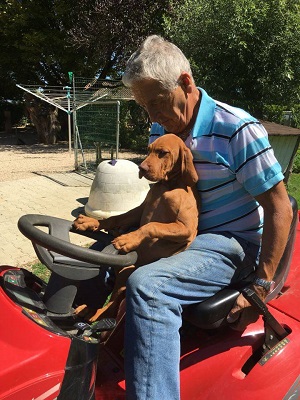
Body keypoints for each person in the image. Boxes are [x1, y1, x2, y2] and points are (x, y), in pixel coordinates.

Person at [120, 35, 293, 400]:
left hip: (229, 241)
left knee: (149, 288)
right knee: (104, 257)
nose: (152, 117)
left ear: (185, 83)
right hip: (183, 232)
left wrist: (260, 288)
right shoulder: (163, 128)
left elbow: (280, 207)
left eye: (157, 103)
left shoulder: (236, 129)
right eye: (143, 106)